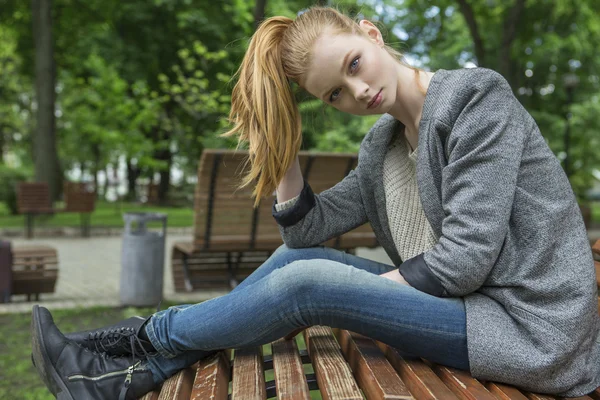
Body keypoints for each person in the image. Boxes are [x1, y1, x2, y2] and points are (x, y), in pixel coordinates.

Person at [31, 6, 600, 399]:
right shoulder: (381, 145)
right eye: (334, 94)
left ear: (370, 34)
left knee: (309, 285)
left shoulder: (475, 101)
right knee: (297, 267)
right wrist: (280, 143)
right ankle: (132, 369)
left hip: (532, 331)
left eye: (353, 65)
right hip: (473, 308)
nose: (357, 92)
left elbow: (465, 258)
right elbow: (306, 235)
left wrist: (345, 291)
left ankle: (129, 344)